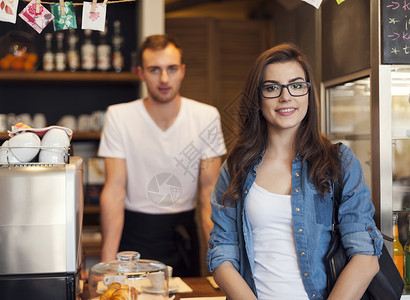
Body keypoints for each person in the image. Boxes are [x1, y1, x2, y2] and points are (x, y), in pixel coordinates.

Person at [206, 43, 383, 299]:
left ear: (309, 94)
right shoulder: (235, 167)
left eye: (296, 85)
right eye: (272, 88)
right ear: (257, 98)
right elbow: (222, 253)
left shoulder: (339, 162)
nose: (285, 96)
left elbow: (365, 257)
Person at [98, 34, 226, 277]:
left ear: (183, 71)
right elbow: (114, 191)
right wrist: (107, 266)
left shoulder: (206, 116)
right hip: (133, 234)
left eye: (172, 68)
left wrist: (221, 264)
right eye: (154, 70)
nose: (164, 79)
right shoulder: (119, 116)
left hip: (183, 234)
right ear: (141, 73)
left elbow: (210, 193)